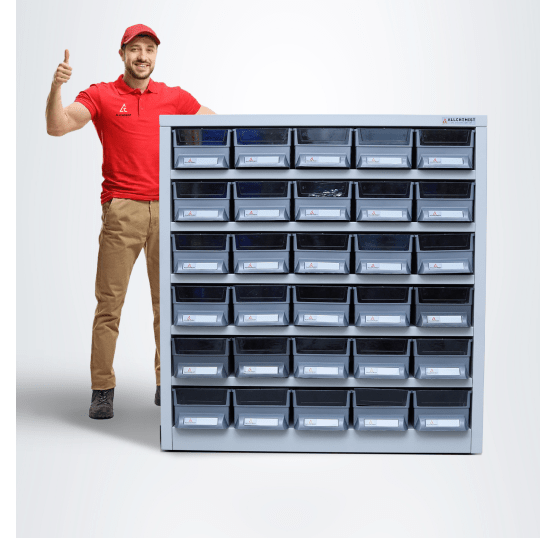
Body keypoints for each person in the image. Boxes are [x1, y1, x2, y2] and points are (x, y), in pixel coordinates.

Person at [45, 24, 215, 420]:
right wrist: (56, 88)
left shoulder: (173, 97)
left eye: (149, 50)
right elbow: (57, 126)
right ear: (122, 54)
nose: (143, 57)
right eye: (135, 49)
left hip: (168, 212)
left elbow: (218, 126)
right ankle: (102, 388)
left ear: (156, 56)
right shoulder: (102, 94)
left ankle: (166, 383)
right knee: (109, 305)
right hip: (122, 211)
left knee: (168, 305)